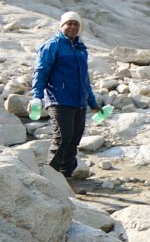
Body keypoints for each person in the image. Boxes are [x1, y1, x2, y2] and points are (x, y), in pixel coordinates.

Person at [30, 11, 100, 178]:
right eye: (69, 23)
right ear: (62, 26)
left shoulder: (81, 49)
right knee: (62, 138)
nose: (73, 27)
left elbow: (84, 79)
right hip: (58, 99)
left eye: (76, 24)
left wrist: (93, 103)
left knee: (74, 141)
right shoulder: (52, 45)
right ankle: (49, 178)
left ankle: (66, 176)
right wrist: (36, 96)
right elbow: (41, 71)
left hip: (79, 102)